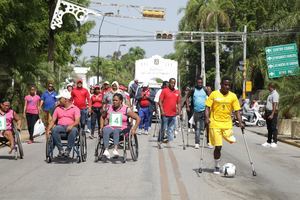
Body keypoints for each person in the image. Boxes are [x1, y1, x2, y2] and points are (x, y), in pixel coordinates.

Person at [205, 77, 244, 174]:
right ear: (221, 85)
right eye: (225, 85)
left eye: (229, 85)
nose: (227, 87)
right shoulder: (214, 94)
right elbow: (207, 107)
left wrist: (240, 122)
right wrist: (207, 118)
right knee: (218, 146)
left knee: (231, 139)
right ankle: (217, 166)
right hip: (215, 123)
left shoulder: (233, 96)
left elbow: (237, 111)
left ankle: (228, 136)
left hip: (227, 124)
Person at [100, 93, 140, 158]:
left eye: (116, 100)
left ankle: (115, 149)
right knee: (105, 129)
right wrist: (101, 127)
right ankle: (106, 150)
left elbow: (138, 118)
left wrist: (134, 129)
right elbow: (102, 117)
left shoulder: (126, 109)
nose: (114, 102)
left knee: (116, 130)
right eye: (113, 100)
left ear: (120, 101)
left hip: (123, 127)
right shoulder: (109, 108)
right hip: (111, 126)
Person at [46, 90, 80, 157]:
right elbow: (53, 121)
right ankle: (60, 150)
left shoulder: (75, 108)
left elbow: (77, 121)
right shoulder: (57, 109)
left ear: (65, 99)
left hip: (72, 127)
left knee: (73, 130)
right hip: (60, 127)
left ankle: (68, 150)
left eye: (60, 99)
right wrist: (48, 129)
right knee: (55, 129)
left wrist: (71, 125)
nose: (58, 100)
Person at [186, 77, 208, 149]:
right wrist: (188, 106)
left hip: (205, 111)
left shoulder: (205, 89)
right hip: (196, 111)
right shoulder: (193, 89)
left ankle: (208, 142)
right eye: (198, 83)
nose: (200, 84)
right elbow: (187, 97)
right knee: (197, 127)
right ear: (196, 83)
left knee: (206, 127)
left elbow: (211, 98)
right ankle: (197, 143)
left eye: (201, 83)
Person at [159, 78, 181, 146]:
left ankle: (167, 140)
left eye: (174, 83)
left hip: (173, 114)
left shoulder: (177, 92)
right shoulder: (164, 91)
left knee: (170, 129)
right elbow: (160, 101)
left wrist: (179, 110)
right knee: (163, 128)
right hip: (165, 113)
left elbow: (179, 103)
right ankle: (160, 141)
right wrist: (162, 110)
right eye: (171, 83)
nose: (173, 84)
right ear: (169, 83)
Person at [262, 83, 279, 148]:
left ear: (271, 87)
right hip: (268, 112)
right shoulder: (270, 94)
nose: (268, 88)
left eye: (268, 87)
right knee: (269, 128)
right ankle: (268, 141)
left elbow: (275, 104)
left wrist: (272, 114)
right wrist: (265, 113)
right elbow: (267, 104)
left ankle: (275, 142)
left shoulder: (275, 94)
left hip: (273, 113)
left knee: (273, 128)